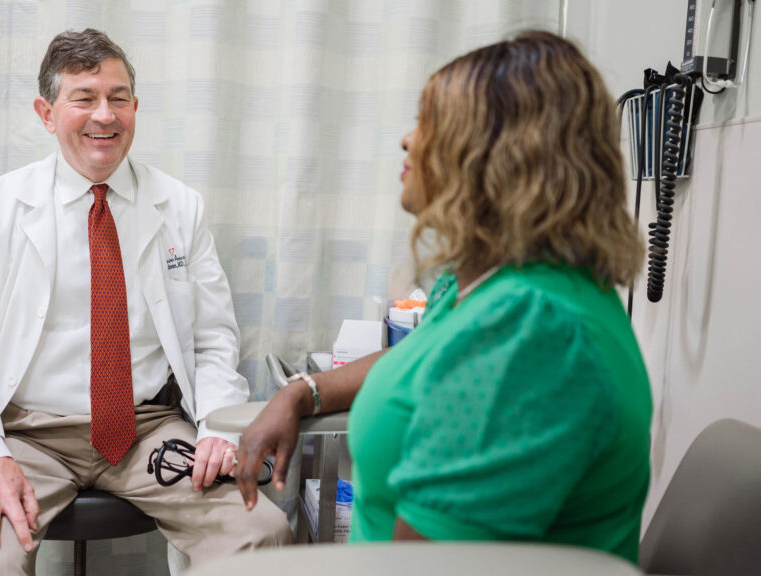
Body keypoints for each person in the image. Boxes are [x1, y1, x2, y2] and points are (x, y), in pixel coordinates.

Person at [234, 30, 652, 563]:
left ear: (502, 155)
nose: (407, 140)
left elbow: (425, 567)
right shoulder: (489, 284)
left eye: (430, 122)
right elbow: (415, 357)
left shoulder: (530, 331)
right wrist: (301, 392)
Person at [0, 28, 290, 574]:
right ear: (47, 113)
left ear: (135, 108)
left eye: (118, 98)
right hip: (26, 435)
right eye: (84, 99)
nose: (104, 115)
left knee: (262, 532)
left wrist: (215, 430)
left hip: (148, 429)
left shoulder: (180, 207)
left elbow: (212, 340)